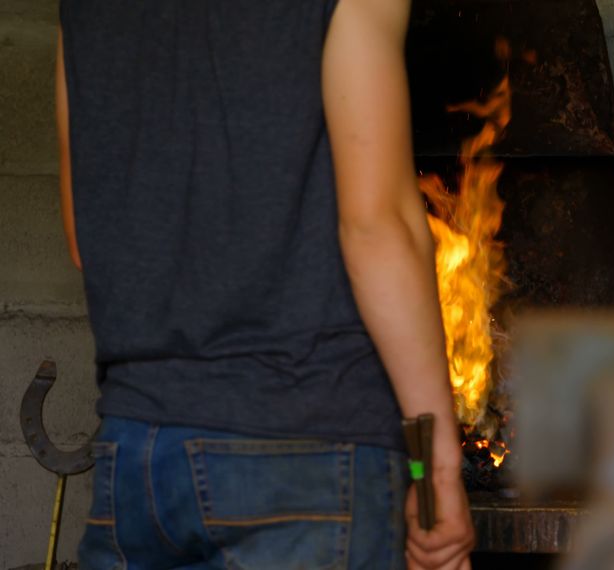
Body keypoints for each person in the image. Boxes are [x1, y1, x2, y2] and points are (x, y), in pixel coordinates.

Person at [56, 0, 473, 567]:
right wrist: (437, 465)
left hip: (136, 451)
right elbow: (377, 229)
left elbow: (86, 235)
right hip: (308, 451)